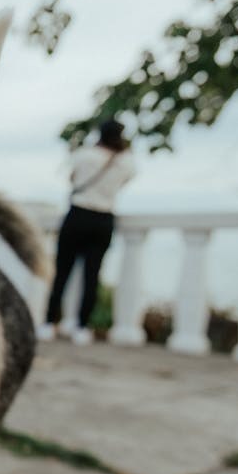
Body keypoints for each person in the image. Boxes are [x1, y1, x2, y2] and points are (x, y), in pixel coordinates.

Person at [38, 120, 136, 345]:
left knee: (62, 272)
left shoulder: (85, 155)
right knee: (92, 277)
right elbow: (124, 183)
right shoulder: (127, 162)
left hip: (78, 215)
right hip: (103, 219)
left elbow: (72, 178)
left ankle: (48, 323)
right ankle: (82, 327)